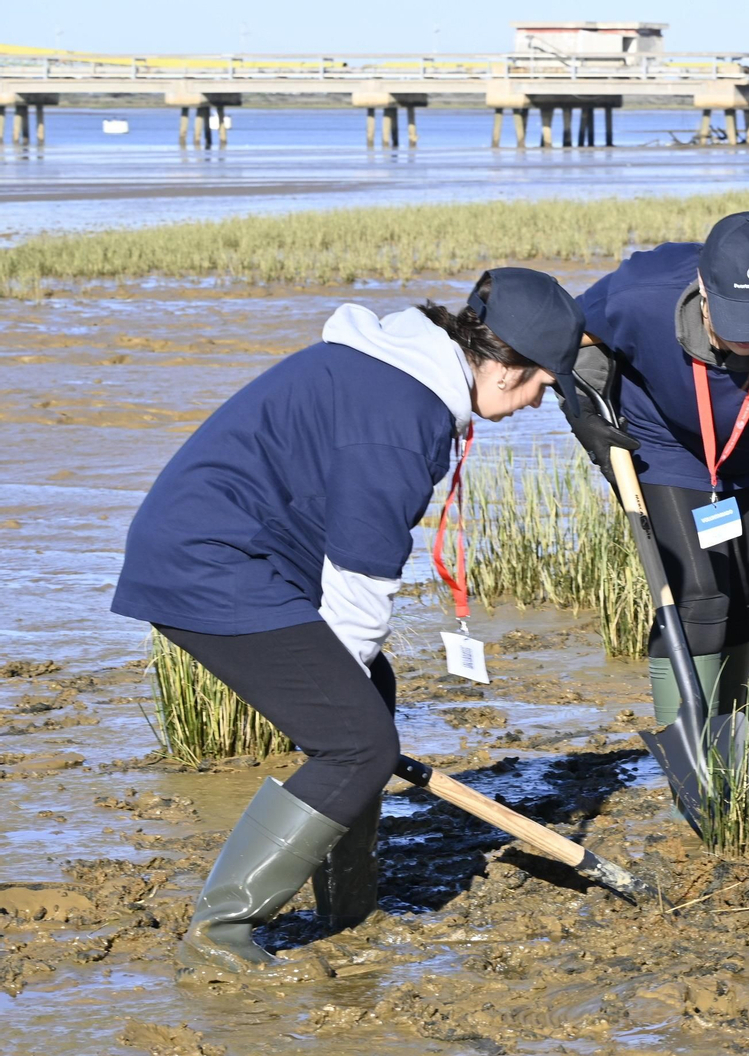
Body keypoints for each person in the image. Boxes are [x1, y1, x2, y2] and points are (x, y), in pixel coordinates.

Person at [111, 269, 586, 975]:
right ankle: (221, 933)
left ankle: (347, 902)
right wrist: (353, 704)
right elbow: (363, 570)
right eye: (543, 382)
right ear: (504, 361)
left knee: (370, 700)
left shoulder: (401, 379)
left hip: (233, 555)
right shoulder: (402, 414)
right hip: (208, 563)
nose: (540, 400)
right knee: (358, 743)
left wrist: (358, 684)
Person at [566, 211, 749, 731]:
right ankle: (691, 753)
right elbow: (569, 337)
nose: (748, 339)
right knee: (700, 597)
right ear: (704, 288)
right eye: (735, 320)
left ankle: (727, 737)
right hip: (664, 449)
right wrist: (583, 414)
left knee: (744, 601)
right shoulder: (640, 293)